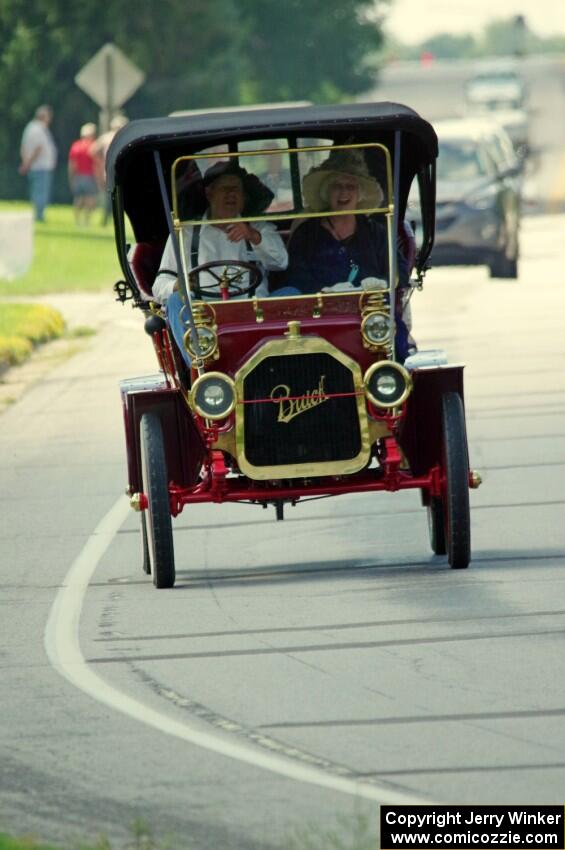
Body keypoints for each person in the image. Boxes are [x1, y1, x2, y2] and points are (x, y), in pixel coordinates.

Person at [279, 148, 415, 360]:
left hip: (370, 315)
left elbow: (398, 273)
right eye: (337, 187)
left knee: (395, 345)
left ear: (359, 194)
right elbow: (295, 277)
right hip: (318, 317)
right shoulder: (306, 234)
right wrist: (324, 291)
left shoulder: (375, 232)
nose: (344, 193)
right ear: (326, 192)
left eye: (350, 187)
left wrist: (377, 284)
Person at [153, 159, 288, 364]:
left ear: (244, 196)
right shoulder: (185, 234)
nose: (231, 195)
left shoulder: (260, 228)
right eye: (225, 189)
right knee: (174, 301)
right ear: (210, 194)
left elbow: (281, 262)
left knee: (293, 294)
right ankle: (200, 368)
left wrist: (252, 235)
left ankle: (285, 363)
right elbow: (159, 284)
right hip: (204, 320)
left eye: (237, 190)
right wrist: (178, 285)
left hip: (255, 314)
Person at [19, 105, 57, 222]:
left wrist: (26, 162)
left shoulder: (30, 128)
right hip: (41, 167)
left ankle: (38, 214)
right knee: (41, 192)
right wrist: (27, 164)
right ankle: (39, 216)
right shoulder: (39, 129)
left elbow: (24, 147)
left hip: (36, 166)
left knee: (37, 191)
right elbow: (38, 148)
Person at [92, 114, 128, 225]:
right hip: (121, 169)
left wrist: (101, 161)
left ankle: (106, 218)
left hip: (108, 169)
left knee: (110, 195)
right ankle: (115, 219)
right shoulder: (123, 137)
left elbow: (93, 150)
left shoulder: (106, 137)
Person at [68, 123, 98, 226]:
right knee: (90, 200)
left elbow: (72, 165)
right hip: (89, 176)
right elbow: (96, 164)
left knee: (78, 199)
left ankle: (77, 221)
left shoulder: (76, 146)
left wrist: (71, 178)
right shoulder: (93, 146)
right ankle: (86, 221)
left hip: (78, 176)